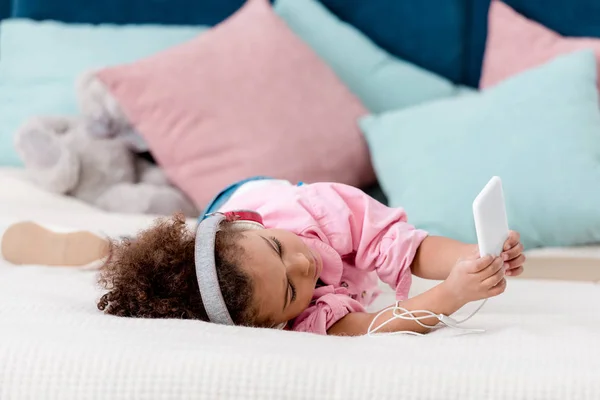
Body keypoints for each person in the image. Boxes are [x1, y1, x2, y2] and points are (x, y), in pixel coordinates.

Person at [0, 179, 525, 336]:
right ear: (278, 322)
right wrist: (453, 294)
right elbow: (373, 325)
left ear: (253, 227)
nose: (305, 267)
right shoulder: (298, 319)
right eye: (293, 291)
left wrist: (476, 255)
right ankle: (104, 249)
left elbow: (403, 248)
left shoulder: (312, 214)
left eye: (281, 253)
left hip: (244, 195)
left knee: (192, 236)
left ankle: (123, 240)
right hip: (228, 246)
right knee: (170, 277)